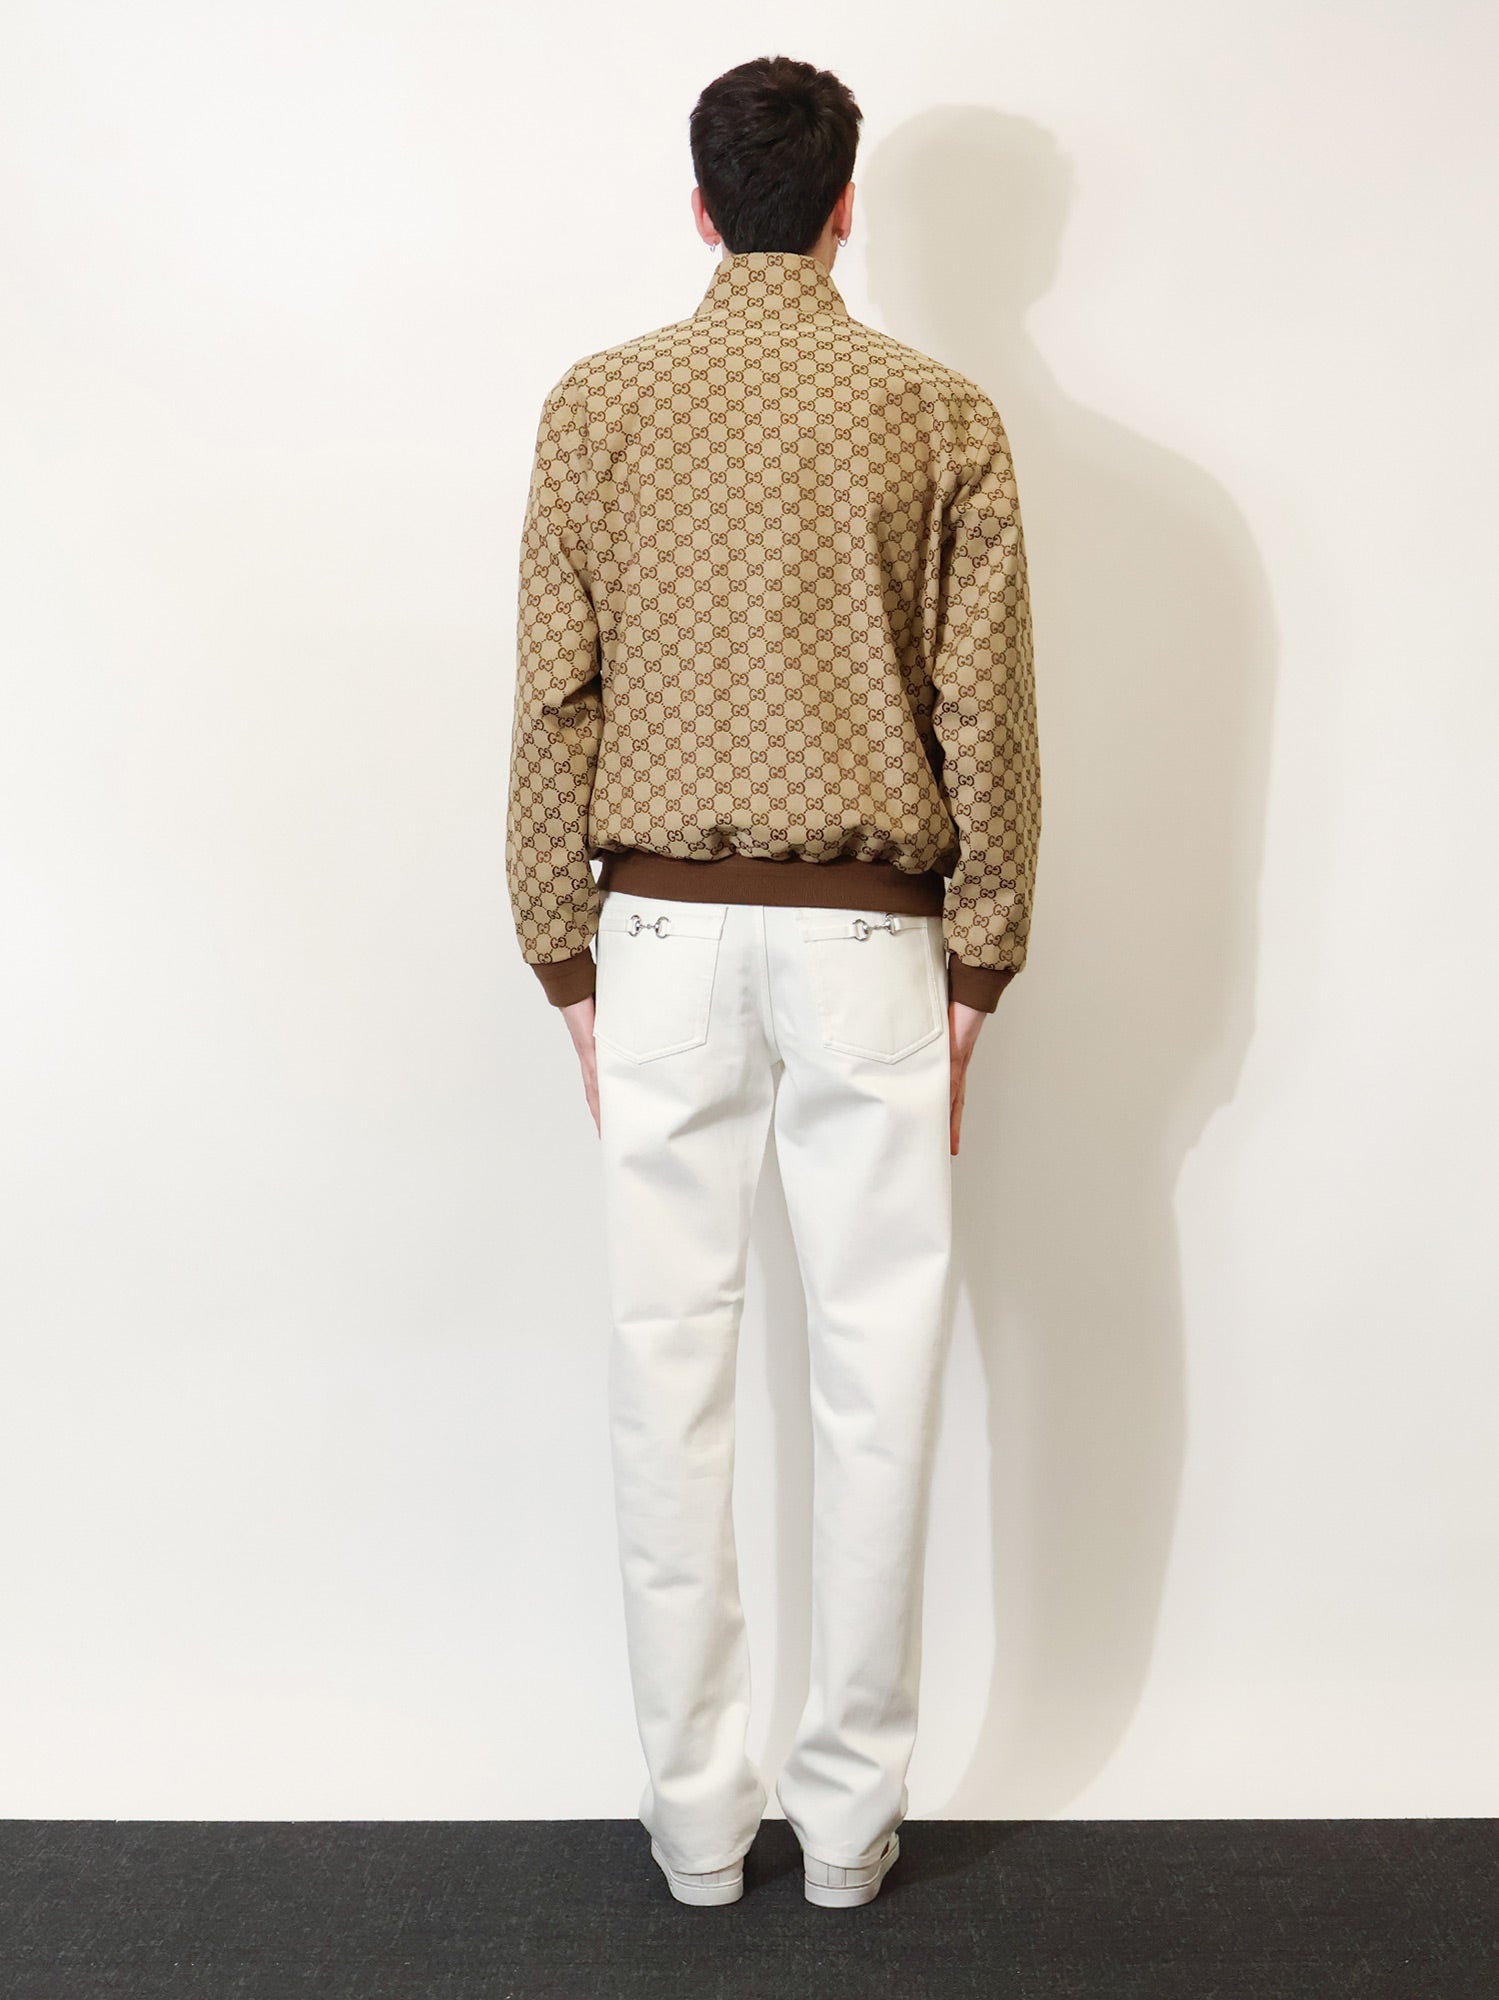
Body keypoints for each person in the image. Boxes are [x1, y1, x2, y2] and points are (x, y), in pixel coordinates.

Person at [505, 54, 1041, 1909]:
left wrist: (565, 956)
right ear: (844, 206)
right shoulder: (940, 414)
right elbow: (987, 714)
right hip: (871, 941)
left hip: (656, 937)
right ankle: (848, 1830)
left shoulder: (599, 406)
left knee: (666, 1373)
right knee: (879, 1379)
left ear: (698, 200)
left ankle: (693, 1830)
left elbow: (554, 701)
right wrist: (980, 964)